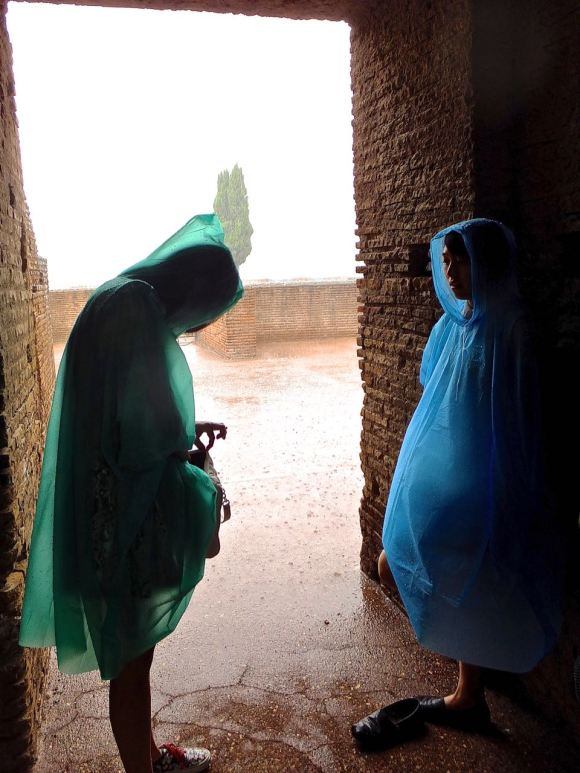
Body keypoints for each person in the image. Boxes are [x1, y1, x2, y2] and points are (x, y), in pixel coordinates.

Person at [19, 214, 243, 773]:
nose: (192, 326)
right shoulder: (136, 310)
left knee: (132, 659)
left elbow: (122, 414)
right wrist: (186, 450)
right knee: (133, 664)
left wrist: (180, 434)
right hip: (125, 518)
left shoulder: (114, 299)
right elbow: (148, 433)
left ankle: (147, 757)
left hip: (102, 506)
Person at [355, 218, 562, 741]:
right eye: (446, 261)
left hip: (485, 488)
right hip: (449, 486)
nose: (450, 270)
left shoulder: (512, 326)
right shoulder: (455, 325)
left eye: (460, 259)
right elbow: (436, 401)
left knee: (464, 581)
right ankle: (469, 690)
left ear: (486, 261)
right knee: (394, 564)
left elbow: (520, 417)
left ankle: (470, 695)